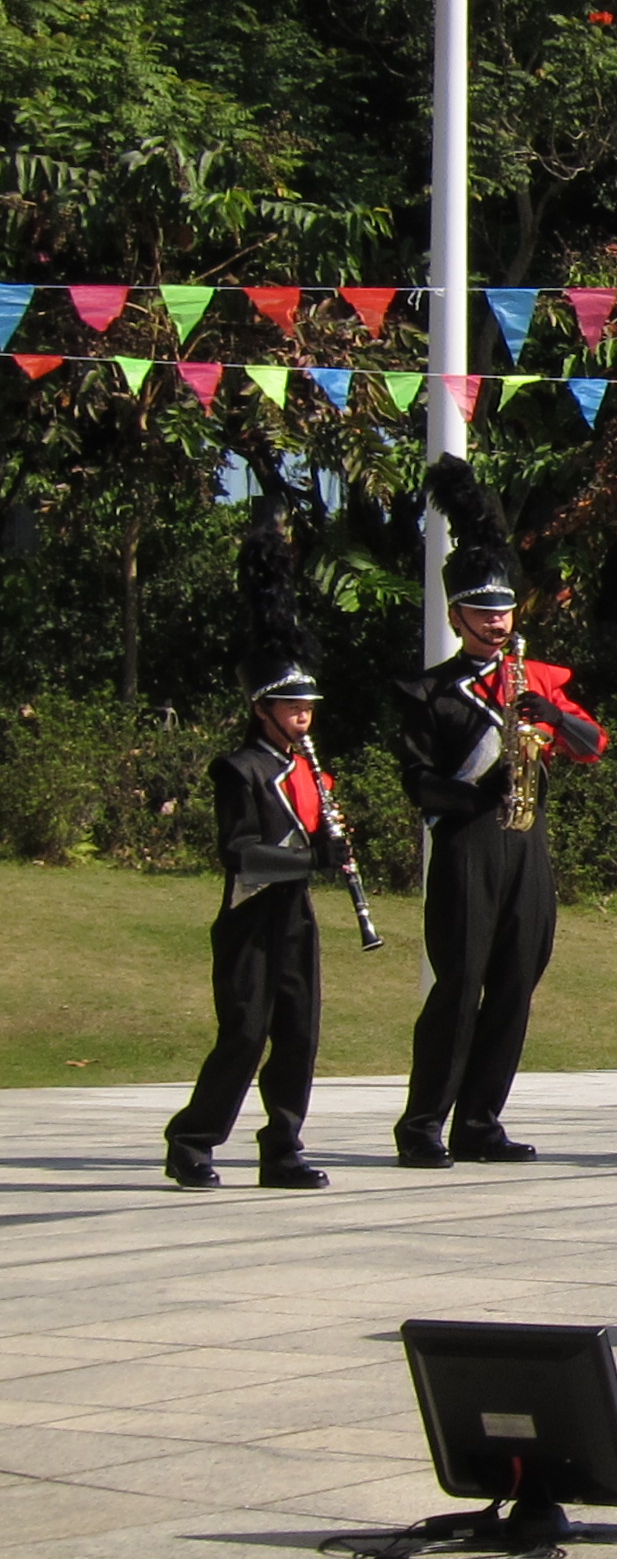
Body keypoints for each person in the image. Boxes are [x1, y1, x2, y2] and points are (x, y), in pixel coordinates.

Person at [391, 455, 608, 1169]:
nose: (495, 622)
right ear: (457, 617)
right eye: (481, 612)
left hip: (527, 846)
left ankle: (481, 1121)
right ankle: (423, 1123)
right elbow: (419, 783)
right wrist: (478, 796)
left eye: (503, 610)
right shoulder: (428, 692)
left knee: (517, 982)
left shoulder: (536, 677)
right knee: (459, 987)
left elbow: (592, 746)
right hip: (468, 844)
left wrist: (550, 713)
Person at [166, 501, 349, 1191]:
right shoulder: (236, 769)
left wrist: (333, 843)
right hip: (249, 918)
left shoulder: (310, 768)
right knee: (245, 1033)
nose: (304, 716)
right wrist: (311, 859)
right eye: (292, 707)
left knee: (299, 1033)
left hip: (295, 917)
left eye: (309, 707)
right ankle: (192, 1140)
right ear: (262, 709)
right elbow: (239, 851)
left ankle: (283, 1147)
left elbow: (314, 835)